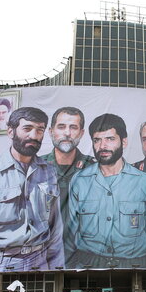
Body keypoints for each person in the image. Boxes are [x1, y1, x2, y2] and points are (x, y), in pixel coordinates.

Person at [66, 113, 146, 268]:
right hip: (88, 265)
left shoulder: (145, 182)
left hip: (134, 266)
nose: (102, 146)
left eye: (110, 139)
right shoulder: (79, 181)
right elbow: (69, 235)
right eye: (97, 140)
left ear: (124, 142)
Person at [0, 107, 64, 272]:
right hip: (2, 263)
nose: (34, 136)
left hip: (41, 262)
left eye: (39, 130)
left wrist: (57, 270)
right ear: (10, 132)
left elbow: (56, 229)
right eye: (27, 129)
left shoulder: (49, 172)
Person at [41, 107, 96, 261]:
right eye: (61, 127)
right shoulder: (35, 168)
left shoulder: (95, 169)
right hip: (44, 256)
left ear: (82, 133)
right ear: (51, 131)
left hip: (86, 257)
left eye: (73, 127)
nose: (67, 133)